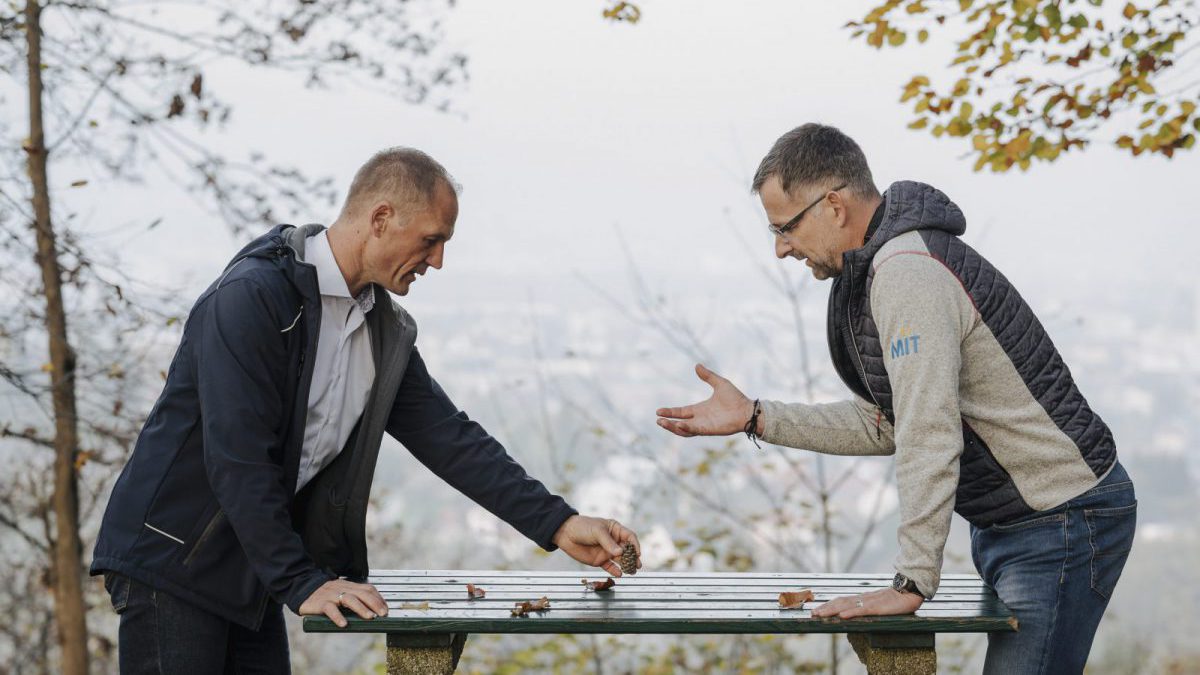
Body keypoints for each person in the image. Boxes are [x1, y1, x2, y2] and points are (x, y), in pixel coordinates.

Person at [92, 147, 640, 673]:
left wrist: (559, 522)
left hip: (252, 568)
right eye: (431, 240)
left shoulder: (381, 329)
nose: (439, 261)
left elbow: (449, 438)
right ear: (380, 218)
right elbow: (238, 459)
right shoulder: (252, 298)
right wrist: (300, 581)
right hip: (172, 565)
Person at [655, 124, 1135, 674]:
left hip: (1062, 521)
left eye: (785, 227)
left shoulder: (906, 272)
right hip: (1019, 521)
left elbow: (929, 434)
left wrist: (911, 582)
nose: (781, 247)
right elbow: (890, 422)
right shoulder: (877, 269)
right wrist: (756, 417)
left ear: (833, 205)